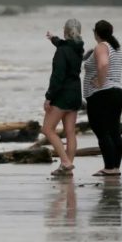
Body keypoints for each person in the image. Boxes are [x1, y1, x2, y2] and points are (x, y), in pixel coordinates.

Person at [84, 20, 122, 176]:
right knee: (114, 131)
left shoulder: (101, 46)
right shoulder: (116, 48)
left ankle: (109, 168)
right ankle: (115, 167)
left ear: (96, 32)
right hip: (118, 93)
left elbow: (103, 64)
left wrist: (100, 83)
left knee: (102, 131)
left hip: (103, 95)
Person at [43, 18, 84, 176]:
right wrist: (53, 39)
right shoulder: (78, 47)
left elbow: (57, 77)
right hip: (75, 94)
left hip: (62, 95)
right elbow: (63, 44)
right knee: (70, 132)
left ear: (65, 31)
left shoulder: (62, 51)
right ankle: (68, 167)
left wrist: (49, 97)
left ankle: (65, 162)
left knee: (47, 129)